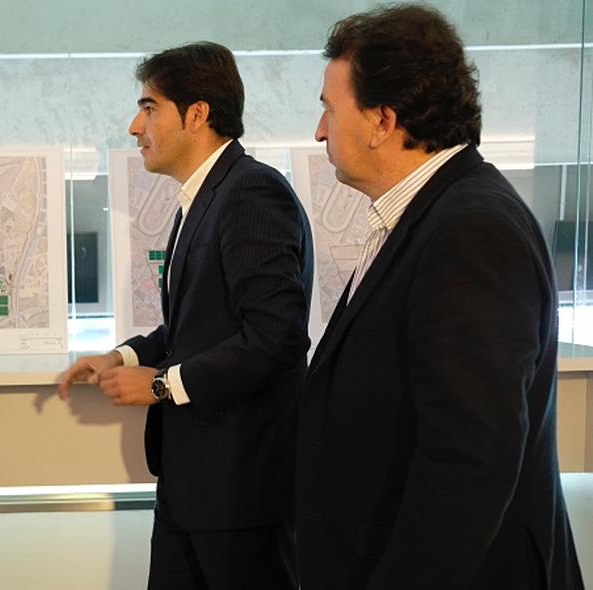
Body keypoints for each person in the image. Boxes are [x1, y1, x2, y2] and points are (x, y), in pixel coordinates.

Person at [297, 4, 584, 589]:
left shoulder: (469, 232)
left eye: (329, 108)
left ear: (382, 120)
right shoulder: (434, 215)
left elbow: (468, 466)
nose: (320, 129)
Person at [60, 42, 313, 589]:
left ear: (198, 114)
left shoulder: (252, 192)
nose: (134, 125)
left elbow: (276, 339)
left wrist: (159, 384)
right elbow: (197, 326)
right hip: (194, 485)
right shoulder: (205, 197)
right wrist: (121, 356)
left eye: (149, 107)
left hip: (240, 491)